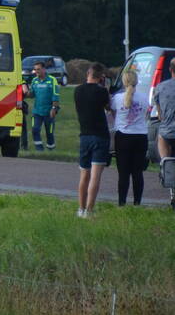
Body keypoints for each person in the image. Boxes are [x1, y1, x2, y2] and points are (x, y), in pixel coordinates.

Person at [74, 63, 113, 218]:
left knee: (84, 175)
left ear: (88, 74)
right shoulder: (102, 92)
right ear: (101, 77)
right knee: (95, 176)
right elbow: (108, 107)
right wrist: (106, 88)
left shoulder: (77, 91)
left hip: (84, 136)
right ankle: (89, 211)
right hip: (100, 136)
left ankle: (80, 208)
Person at [111, 68, 149, 205]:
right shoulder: (144, 98)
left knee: (123, 173)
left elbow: (112, 113)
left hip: (123, 137)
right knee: (137, 172)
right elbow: (146, 115)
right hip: (140, 137)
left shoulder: (117, 98)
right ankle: (137, 202)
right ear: (137, 81)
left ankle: (122, 203)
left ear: (123, 82)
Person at [28, 61, 61, 151]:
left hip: (49, 111)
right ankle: (39, 150)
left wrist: (54, 108)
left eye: (38, 69)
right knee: (35, 130)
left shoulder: (52, 80)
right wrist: (25, 91)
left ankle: (51, 149)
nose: (36, 71)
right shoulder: (34, 80)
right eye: (35, 69)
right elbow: (31, 95)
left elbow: (55, 95)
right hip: (37, 112)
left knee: (49, 132)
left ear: (44, 69)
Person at [151, 57, 175, 162]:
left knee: (161, 135)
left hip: (167, 132)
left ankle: (165, 166)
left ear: (170, 69)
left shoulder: (160, 87)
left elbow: (160, 115)